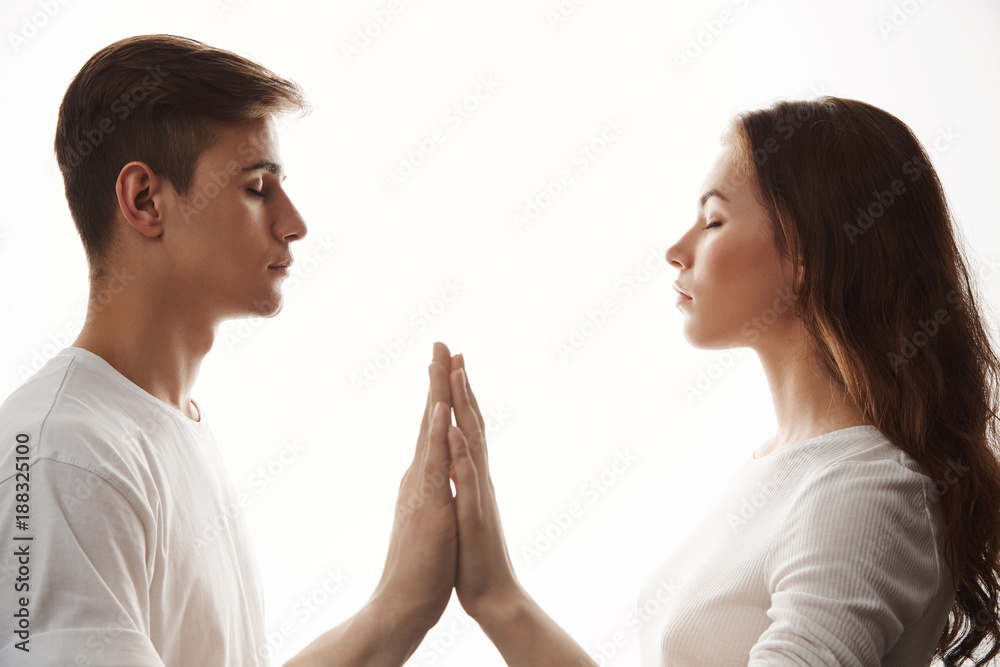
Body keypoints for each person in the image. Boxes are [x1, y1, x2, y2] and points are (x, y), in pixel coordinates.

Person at [431, 97, 1000, 666]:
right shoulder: (794, 469)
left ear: (806, 253)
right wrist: (495, 597)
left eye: (714, 221)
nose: (676, 251)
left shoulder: (865, 489)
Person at [0, 34, 464, 666]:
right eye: (256, 187)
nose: (294, 221)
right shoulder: (63, 458)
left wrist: (401, 602)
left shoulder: (153, 429)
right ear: (144, 201)